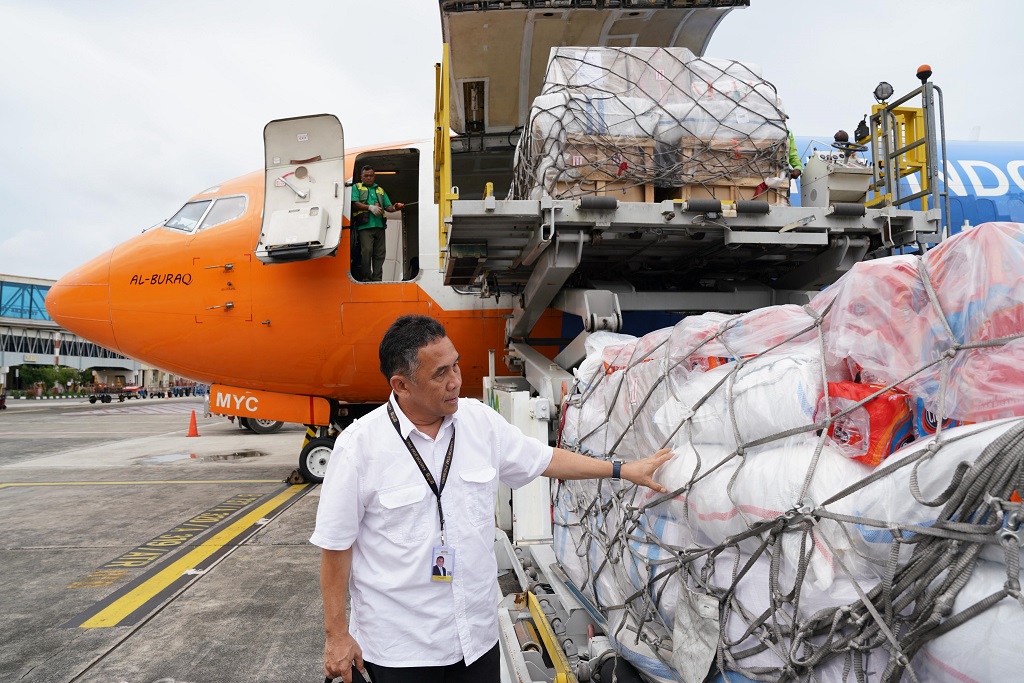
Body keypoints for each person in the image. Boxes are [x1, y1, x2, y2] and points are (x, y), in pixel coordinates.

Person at [312, 315, 673, 683]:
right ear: (401, 385)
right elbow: (336, 546)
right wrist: (336, 637)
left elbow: (545, 459)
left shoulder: (480, 423)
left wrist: (622, 470)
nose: (455, 381)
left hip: (476, 640)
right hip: (401, 649)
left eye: (455, 365)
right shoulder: (359, 447)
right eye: (440, 374)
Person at [351, 166, 404, 282]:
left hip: (379, 226)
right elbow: (355, 204)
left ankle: (377, 279)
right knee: (367, 251)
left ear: (374, 176)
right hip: (365, 225)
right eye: (366, 176)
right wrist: (370, 207)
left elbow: (388, 207)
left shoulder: (380, 190)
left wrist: (395, 207)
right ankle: (366, 278)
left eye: (371, 175)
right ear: (361, 177)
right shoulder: (357, 187)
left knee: (380, 254)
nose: (369, 178)